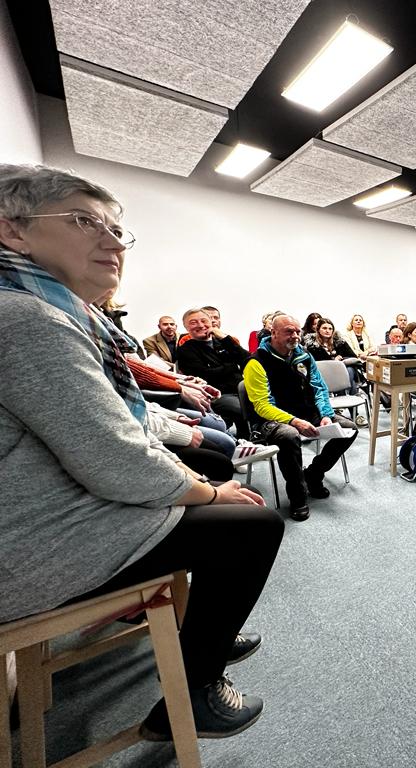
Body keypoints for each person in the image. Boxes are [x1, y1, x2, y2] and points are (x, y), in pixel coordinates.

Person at [0, 162, 282, 740]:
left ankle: (201, 630)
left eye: (116, 230)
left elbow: (112, 421)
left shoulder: (49, 310)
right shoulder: (28, 319)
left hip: (43, 511)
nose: (113, 243)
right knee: (252, 524)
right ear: (13, 230)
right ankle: (196, 690)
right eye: (84, 222)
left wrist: (190, 457)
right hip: (26, 549)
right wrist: (210, 493)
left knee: (211, 465)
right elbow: (115, 462)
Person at [243, 314, 358, 521]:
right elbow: (262, 405)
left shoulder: (304, 355)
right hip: (271, 419)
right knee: (289, 436)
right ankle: (297, 496)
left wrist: (325, 414)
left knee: (349, 428)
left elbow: (319, 388)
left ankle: (313, 474)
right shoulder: (256, 362)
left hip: (306, 411)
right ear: (273, 333)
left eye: (297, 331)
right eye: (289, 331)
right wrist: (294, 421)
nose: (295, 336)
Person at [176, 307, 251, 438]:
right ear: (186, 328)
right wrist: (232, 366)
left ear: (211, 322)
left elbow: (249, 360)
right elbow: (205, 375)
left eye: (204, 321)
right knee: (240, 409)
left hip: (242, 389)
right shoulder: (185, 350)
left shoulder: (224, 342)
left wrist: (225, 339)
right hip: (217, 395)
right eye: (193, 323)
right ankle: (245, 439)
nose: (200, 325)